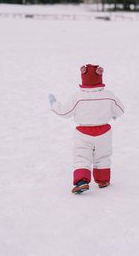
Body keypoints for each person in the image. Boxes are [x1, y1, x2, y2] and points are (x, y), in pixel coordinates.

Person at [49, 64, 124, 194]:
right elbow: (120, 110)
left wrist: (54, 104)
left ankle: (81, 181)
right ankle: (103, 180)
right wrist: (113, 113)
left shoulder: (77, 97)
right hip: (104, 133)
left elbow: (65, 113)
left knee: (82, 157)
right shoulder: (109, 95)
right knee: (103, 156)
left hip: (83, 134)